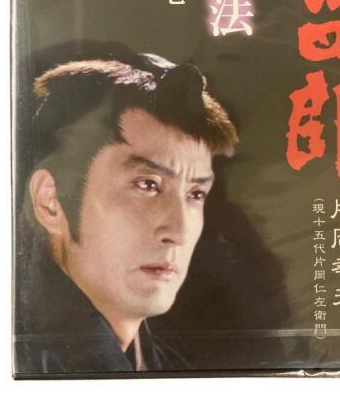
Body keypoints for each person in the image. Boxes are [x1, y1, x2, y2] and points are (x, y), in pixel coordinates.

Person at [13, 46, 238, 376]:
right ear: (50, 200)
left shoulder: (170, 370)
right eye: (147, 184)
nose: (179, 232)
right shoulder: (28, 363)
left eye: (196, 193)